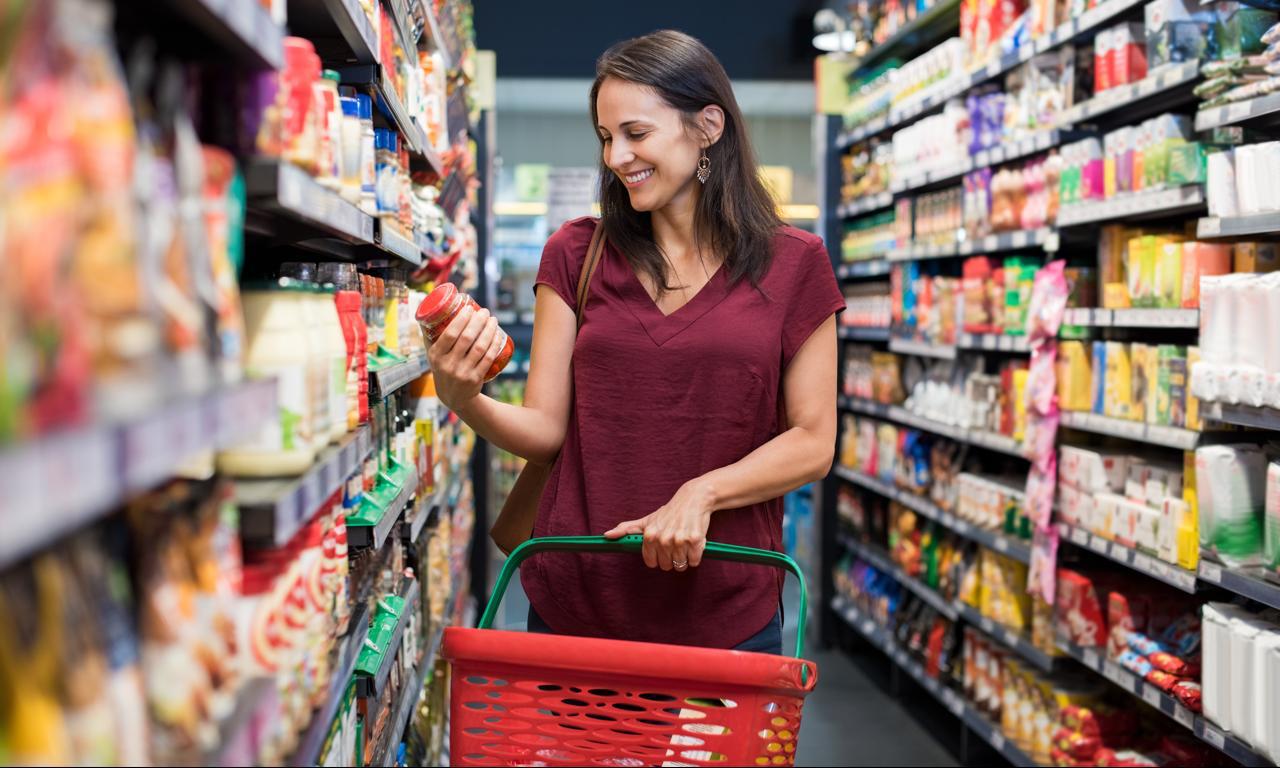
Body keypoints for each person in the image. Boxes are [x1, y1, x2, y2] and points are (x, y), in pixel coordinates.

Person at [425, 30, 842, 655]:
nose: (617, 156)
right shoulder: (576, 252)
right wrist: (466, 399)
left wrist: (701, 493)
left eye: (636, 133)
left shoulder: (794, 263)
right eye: (605, 137)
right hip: (580, 600)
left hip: (726, 608)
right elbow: (546, 429)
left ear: (707, 126)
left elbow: (813, 440)